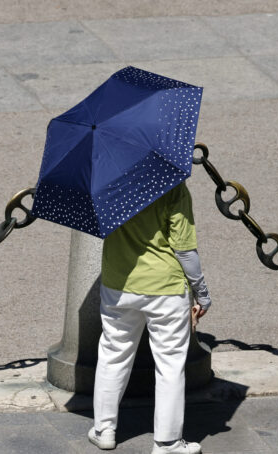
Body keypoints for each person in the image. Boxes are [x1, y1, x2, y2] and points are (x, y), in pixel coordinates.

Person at [87, 182, 211, 453]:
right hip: (166, 288)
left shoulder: (108, 180)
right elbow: (185, 251)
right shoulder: (171, 185)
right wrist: (202, 292)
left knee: (113, 353)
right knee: (169, 364)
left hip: (118, 283)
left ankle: (104, 430)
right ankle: (167, 442)